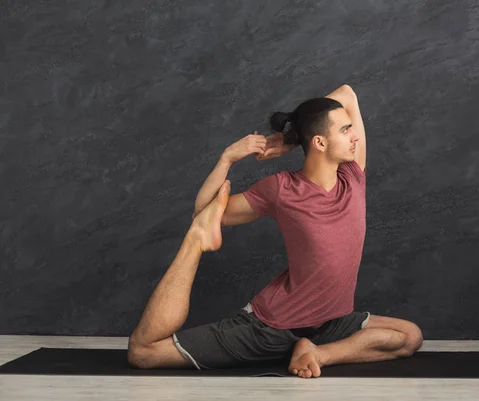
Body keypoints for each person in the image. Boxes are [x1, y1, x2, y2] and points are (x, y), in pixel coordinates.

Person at [127, 85, 423, 378]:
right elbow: (204, 212)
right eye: (345, 130)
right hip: (274, 326)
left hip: (332, 323)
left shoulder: (352, 176)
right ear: (320, 143)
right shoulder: (282, 188)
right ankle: (196, 248)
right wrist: (227, 158)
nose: (355, 135)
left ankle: (316, 353)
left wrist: (290, 139)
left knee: (409, 336)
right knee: (144, 353)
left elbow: (347, 93)